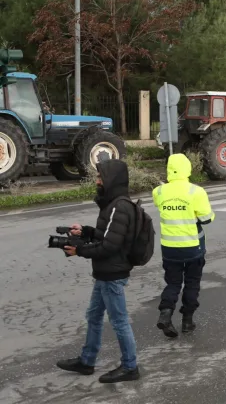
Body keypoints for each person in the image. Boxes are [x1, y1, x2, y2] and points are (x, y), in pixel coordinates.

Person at [56, 159, 140, 383]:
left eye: (101, 177)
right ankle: (87, 361)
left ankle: (130, 367)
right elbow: (107, 235)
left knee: (119, 321)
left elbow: (110, 246)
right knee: (93, 316)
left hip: (112, 274)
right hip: (104, 273)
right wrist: (85, 231)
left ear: (113, 179)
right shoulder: (111, 204)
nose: (97, 181)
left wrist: (79, 250)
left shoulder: (120, 207)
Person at [152, 153, 215, 338]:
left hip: (169, 248)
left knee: (173, 283)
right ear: (187, 169)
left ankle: (165, 313)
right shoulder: (196, 192)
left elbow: (163, 209)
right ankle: (187, 321)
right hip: (193, 247)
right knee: (192, 283)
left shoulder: (159, 192)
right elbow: (206, 219)